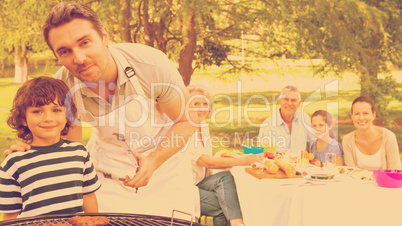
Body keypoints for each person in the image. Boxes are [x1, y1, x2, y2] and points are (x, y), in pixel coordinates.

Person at [4, 2, 198, 218]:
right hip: (107, 179)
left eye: (85, 42)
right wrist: (30, 151)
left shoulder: (150, 65)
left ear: (104, 36)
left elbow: (187, 121)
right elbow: (68, 146)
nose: (79, 58)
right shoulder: (60, 89)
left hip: (166, 171)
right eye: (65, 51)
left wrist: (153, 161)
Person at [0, 77, 101, 220]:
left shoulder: (80, 153)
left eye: (56, 110)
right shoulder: (13, 163)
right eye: (37, 111)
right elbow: (10, 215)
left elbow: (88, 196)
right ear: (23, 119)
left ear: (68, 115)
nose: (48, 118)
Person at [186, 85, 264, 226]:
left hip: (200, 183)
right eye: (195, 103)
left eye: (205, 104)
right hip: (184, 187)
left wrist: (231, 158)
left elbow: (206, 161)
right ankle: (238, 224)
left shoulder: (202, 126)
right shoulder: (185, 128)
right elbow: (206, 162)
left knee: (227, 181)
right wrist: (244, 160)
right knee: (228, 204)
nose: (202, 108)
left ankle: (237, 223)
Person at [342, 96, 401, 170]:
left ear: (373, 115)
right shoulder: (347, 140)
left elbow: (395, 171)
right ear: (352, 116)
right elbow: (351, 172)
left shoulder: (389, 137)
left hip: (385, 181)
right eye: (357, 114)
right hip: (357, 181)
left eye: (365, 113)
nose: (361, 118)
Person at [258, 85, 314, 154]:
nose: (289, 103)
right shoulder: (267, 125)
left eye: (293, 100)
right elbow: (265, 154)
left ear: (299, 103)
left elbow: (315, 141)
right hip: (277, 164)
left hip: (301, 164)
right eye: (286, 99)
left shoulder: (304, 118)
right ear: (279, 101)